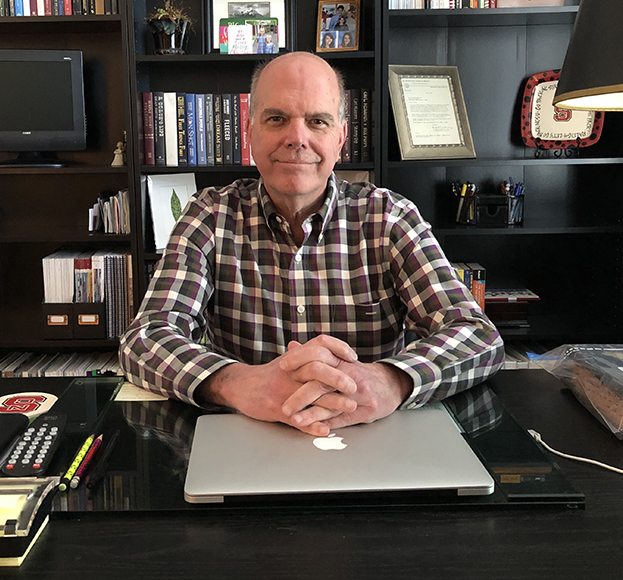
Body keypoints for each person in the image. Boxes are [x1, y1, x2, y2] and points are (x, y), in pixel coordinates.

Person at [120, 53, 504, 438]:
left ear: (340, 137)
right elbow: (145, 339)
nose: (296, 138)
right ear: (249, 131)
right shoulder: (209, 215)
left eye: (317, 121)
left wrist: (392, 381)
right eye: (276, 119)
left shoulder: (390, 218)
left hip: (372, 434)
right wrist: (238, 383)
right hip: (248, 434)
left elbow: (476, 336)